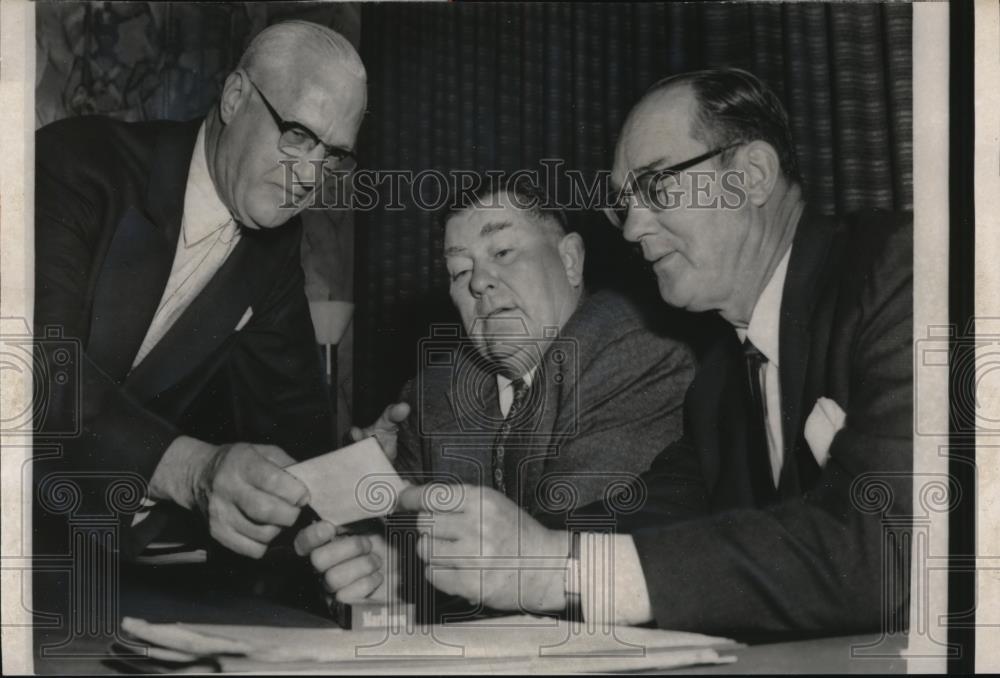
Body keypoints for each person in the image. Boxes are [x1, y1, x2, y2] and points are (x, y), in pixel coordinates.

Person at [387, 68, 913, 636]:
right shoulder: (721, 383)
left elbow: (889, 549)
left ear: (753, 175)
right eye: (624, 203)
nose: (633, 227)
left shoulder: (904, 273)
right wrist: (428, 560)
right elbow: (648, 518)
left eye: (656, 186)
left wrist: (551, 569)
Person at [33, 20, 367, 562]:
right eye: (298, 135)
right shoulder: (74, 163)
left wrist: (350, 480)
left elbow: (291, 412)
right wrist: (192, 470)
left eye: (333, 155)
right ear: (235, 97)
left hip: (85, 553)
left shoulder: (274, 246)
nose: (310, 174)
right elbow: (34, 370)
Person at [294, 183, 701, 609]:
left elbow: (559, 553)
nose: (480, 283)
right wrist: (367, 531)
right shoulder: (432, 394)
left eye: (503, 252)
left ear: (570, 260)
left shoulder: (634, 352)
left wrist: (410, 570)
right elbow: (405, 552)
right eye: (458, 271)